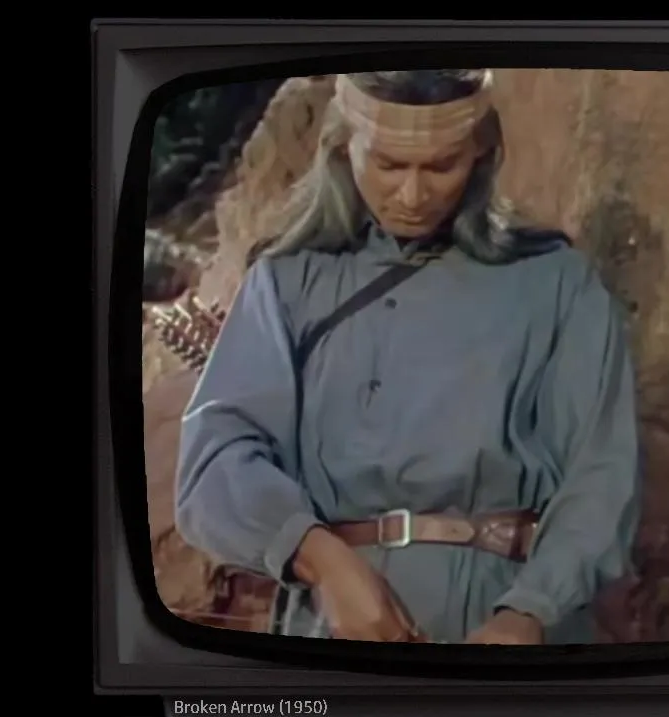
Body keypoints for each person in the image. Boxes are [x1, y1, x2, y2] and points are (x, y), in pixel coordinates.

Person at [174, 69, 642, 645]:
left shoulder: (554, 283)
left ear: (481, 155)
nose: (414, 196)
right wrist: (320, 558)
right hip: (336, 626)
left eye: (441, 167)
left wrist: (531, 612)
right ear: (343, 149)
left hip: (511, 623)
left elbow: (602, 475)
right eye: (389, 165)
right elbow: (215, 461)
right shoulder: (288, 284)